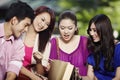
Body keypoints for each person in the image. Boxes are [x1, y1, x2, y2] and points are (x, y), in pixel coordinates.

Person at [18, 6, 56, 80]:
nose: (42, 25)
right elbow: (10, 61)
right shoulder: (18, 31)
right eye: (42, 19)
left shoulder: (46, 44)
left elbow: (40, 75)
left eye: (47, 24)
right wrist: (32, 76)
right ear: (35, 14)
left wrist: (39, 61)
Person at [0, 1, 34, 80]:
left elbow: (12, 71)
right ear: (14, 20)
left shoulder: (19, 45)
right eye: (26, 25)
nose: (26, 30)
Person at [49, 11, 89, 76]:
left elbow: (94, 67)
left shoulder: (84, 41)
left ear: (76, 28)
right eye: (62, 28)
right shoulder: (53, 42)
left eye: (70, 28)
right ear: (58, 27)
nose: (66, 32)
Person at [86, 14, 120, 80]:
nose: (91, 33)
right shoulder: (93, 48)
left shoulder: (118, 49)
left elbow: (118, 78)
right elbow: (90, 76)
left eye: (94, 30)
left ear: (104, 30)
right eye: (90, 30)